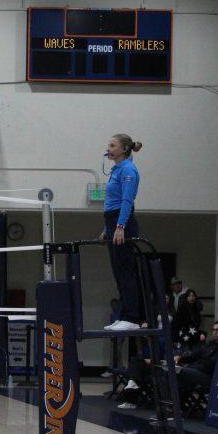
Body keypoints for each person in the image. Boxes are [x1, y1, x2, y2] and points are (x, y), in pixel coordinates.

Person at [101, 134, 143, 332]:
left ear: (124, 148)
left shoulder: (128, 169)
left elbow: (127, 201)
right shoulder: (117, 169)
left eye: (112, 145)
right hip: (112, 221)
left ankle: (132, 318)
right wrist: (107, 229)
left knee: (126, 271)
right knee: (118, 272)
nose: (108, 148)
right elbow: (111, 201)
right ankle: (124, 315)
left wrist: (120, 227)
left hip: (122, 221)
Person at [175, 319, 218, 393]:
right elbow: (195, 355)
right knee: (171, 372)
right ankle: (177, 401)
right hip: (199, 371)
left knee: (178, 371)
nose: (214, 332)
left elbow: (209, 366)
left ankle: (177, 401)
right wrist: (180, 359)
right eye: (213, 329)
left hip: (210, 378)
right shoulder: (211, 343)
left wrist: (188, 367)